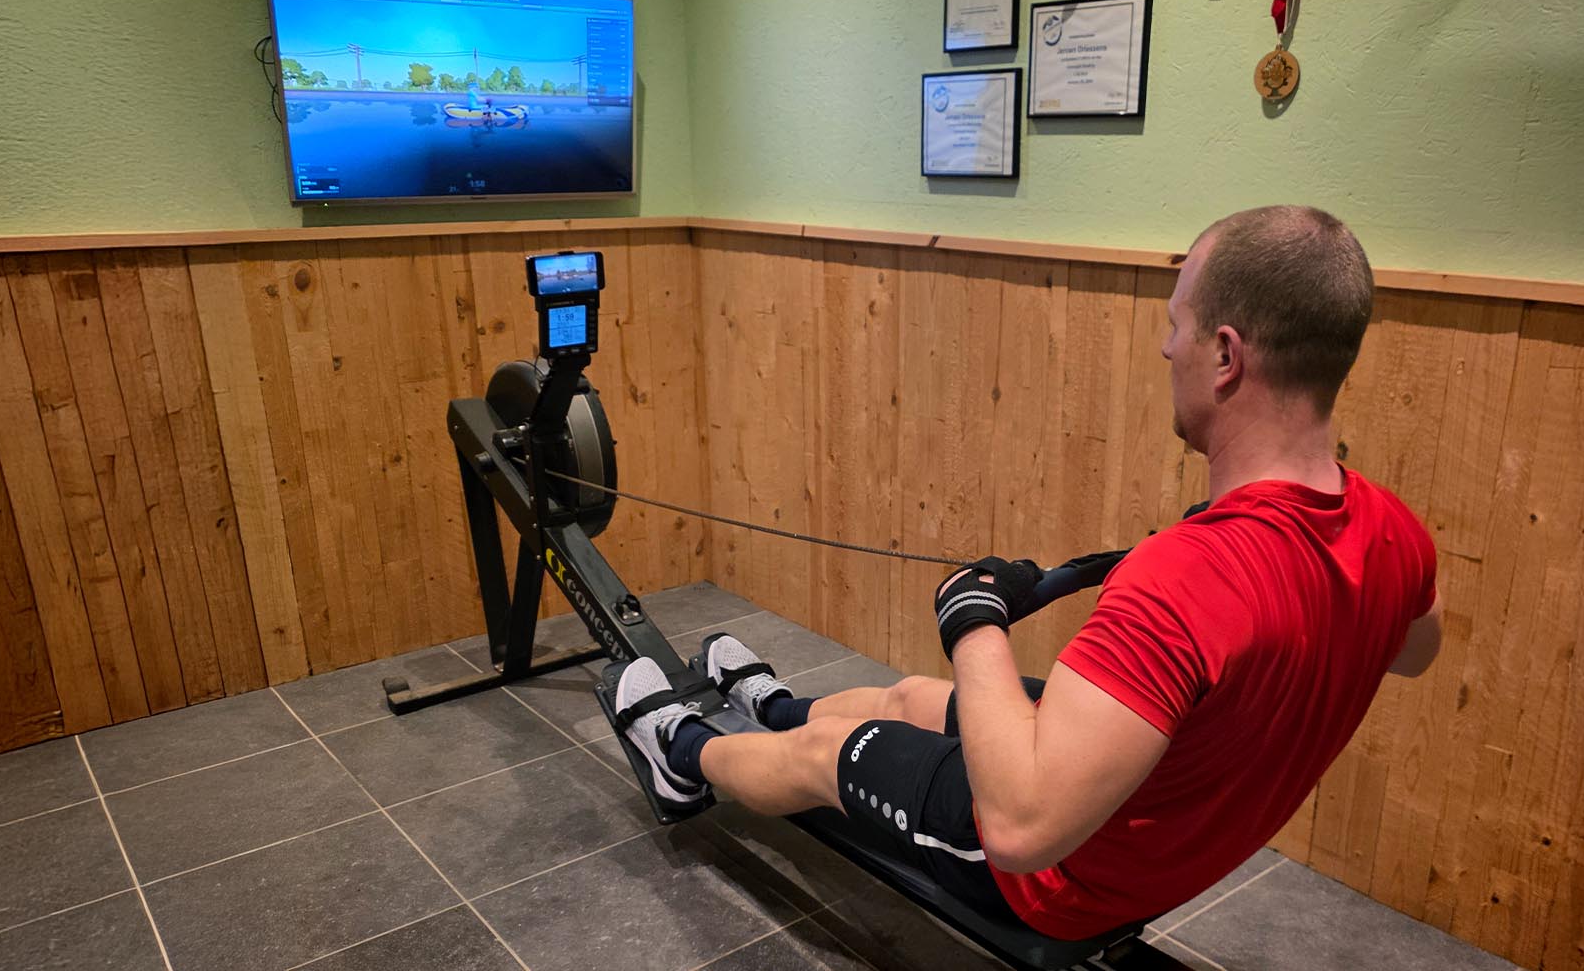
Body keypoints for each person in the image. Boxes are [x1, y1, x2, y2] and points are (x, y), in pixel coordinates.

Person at [610, 205, 1443, 940]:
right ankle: (775, 704)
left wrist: (972, 617)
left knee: (828, 755)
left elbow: (1016, 827)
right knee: (903, 698)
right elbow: (1413, 650)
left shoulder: (1185, 578)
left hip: (1061, 880)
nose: (1165, 346)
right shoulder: (1394, 532)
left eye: (1176, 325)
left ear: (1225, 355)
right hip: (1163, 820)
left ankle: (681, 755)